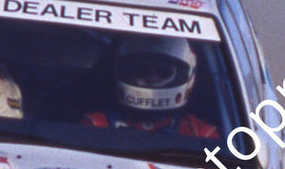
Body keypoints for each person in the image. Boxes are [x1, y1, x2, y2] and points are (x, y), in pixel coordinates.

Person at [82, 35, 218, 136]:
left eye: (164, 72)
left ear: (184, 76)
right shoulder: (97, 124)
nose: (153, 79)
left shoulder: (201, 133)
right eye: (143, 71)